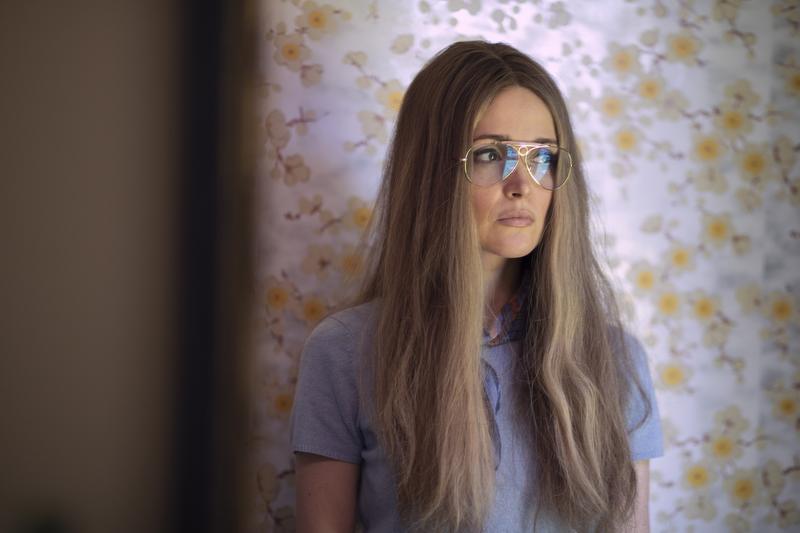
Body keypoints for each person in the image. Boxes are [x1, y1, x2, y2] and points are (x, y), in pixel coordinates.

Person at [289, 40, 664, 532]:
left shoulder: (614, 361)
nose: (522, 184)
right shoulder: (344, 352)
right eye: (490, 154)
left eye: (543, 157)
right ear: (431, 172)